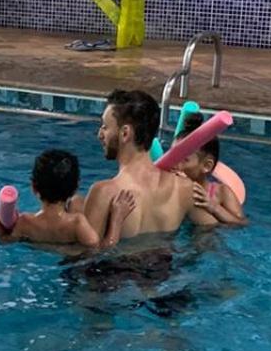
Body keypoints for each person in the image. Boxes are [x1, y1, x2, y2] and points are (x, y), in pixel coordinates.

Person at [81, 89, 220, 240]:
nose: (100, 135)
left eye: (105, 127)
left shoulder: (104, 193)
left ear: (125, 133)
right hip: (167, 255)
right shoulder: (184, 188)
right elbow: (210, 234)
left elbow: (85, 253)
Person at [0, 148, 101, 248]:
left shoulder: (25, 222)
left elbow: (7, 241)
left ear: (34, 187)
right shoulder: (77, 223)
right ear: (75, 188)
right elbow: (94, 246)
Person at [171, 112, 248, 226]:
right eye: (171, 156)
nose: (174, 163)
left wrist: (213, 207)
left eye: (184, 160)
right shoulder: (169, 186)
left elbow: (242, 223)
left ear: (206, 166)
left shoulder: (221, 192)